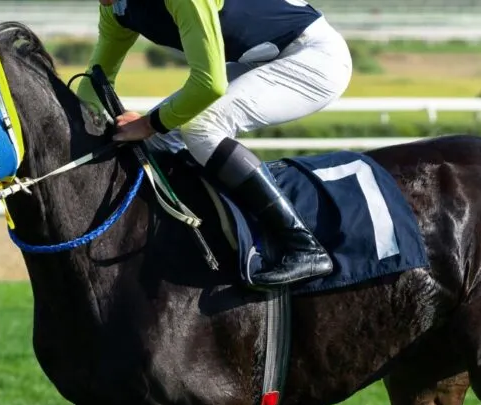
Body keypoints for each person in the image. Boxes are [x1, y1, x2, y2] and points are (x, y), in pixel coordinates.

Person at [76, 0, 353, 287]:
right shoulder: (116, 8)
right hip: (260, 59)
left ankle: (304, 247)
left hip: (313, 57)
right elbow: (96, 82)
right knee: (160, 139)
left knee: (201, 127)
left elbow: (210, 84)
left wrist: (147, 124)